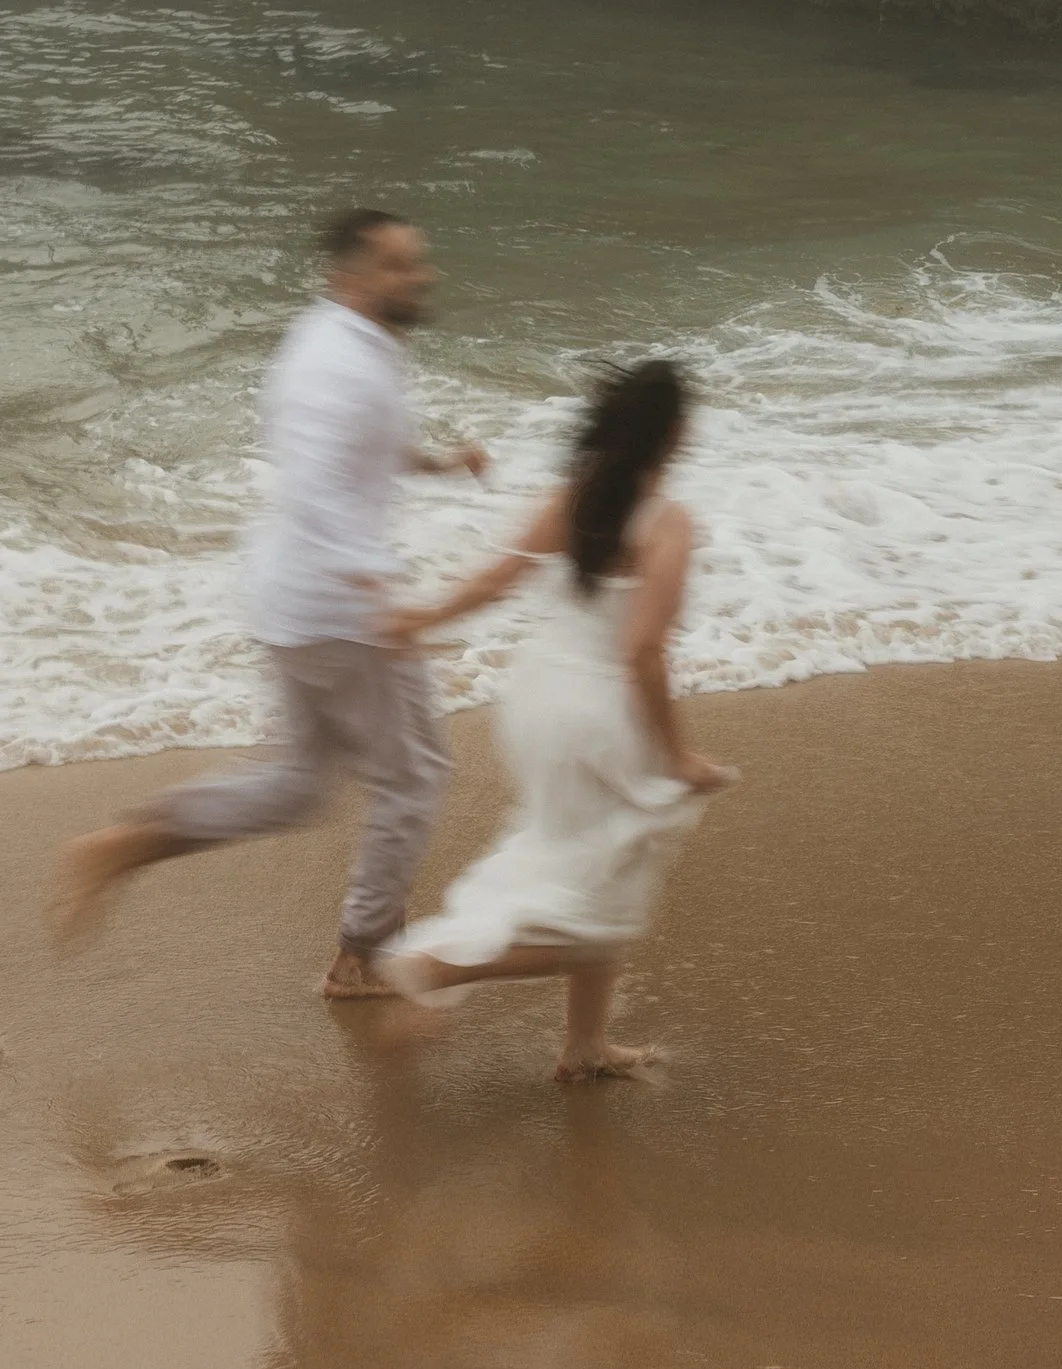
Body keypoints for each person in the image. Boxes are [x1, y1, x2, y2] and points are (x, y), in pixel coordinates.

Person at [50, 206, 488, 993]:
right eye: (398, 265)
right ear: (348, 280)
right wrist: (378, 590)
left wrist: (439, 463)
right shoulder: (342, 365)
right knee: (414, 777)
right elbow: (318, 487)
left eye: (417, 262)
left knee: (299, 785)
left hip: (293, 600)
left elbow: (359, 451)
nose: (420, 277)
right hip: (338, 609)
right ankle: (362, 954)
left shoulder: (335, 340)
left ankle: (127, 843)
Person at [378, 358, 736, 1083]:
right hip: (600, 717)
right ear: (673, 434)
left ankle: (585, 1047)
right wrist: (679, 754)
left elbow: (493, 579)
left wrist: (424, 618)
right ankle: (433, 965)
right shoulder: (668, 525)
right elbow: (642, 652)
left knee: (585, 866)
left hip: (537, 700)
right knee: (605, 906)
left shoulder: (571, 498)